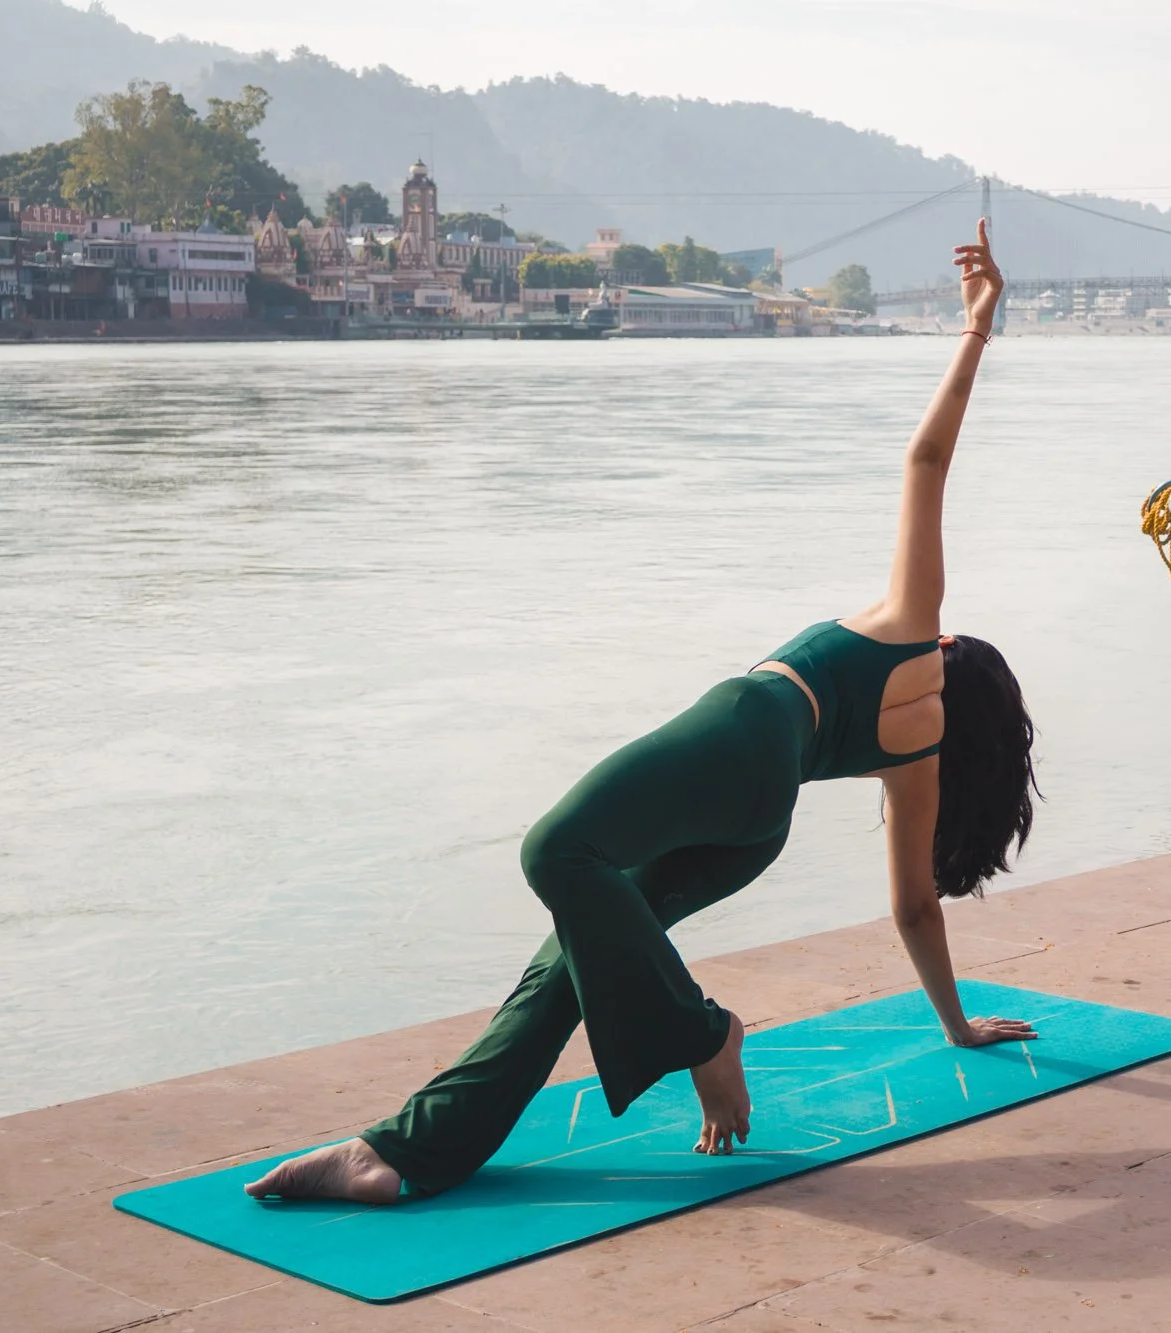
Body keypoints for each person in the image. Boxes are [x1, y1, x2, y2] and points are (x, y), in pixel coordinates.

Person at [247, 222, 1038, 1203]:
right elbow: (913, 907)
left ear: (955, 653)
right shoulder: (916, 755)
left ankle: (704, 1032)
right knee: (568, 965)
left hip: (746, 737)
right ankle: (408, 1150)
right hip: (755, 826)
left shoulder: (912, 626)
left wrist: (974, 331)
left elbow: (923, 464)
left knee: (555, 850)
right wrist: (954, 1023)